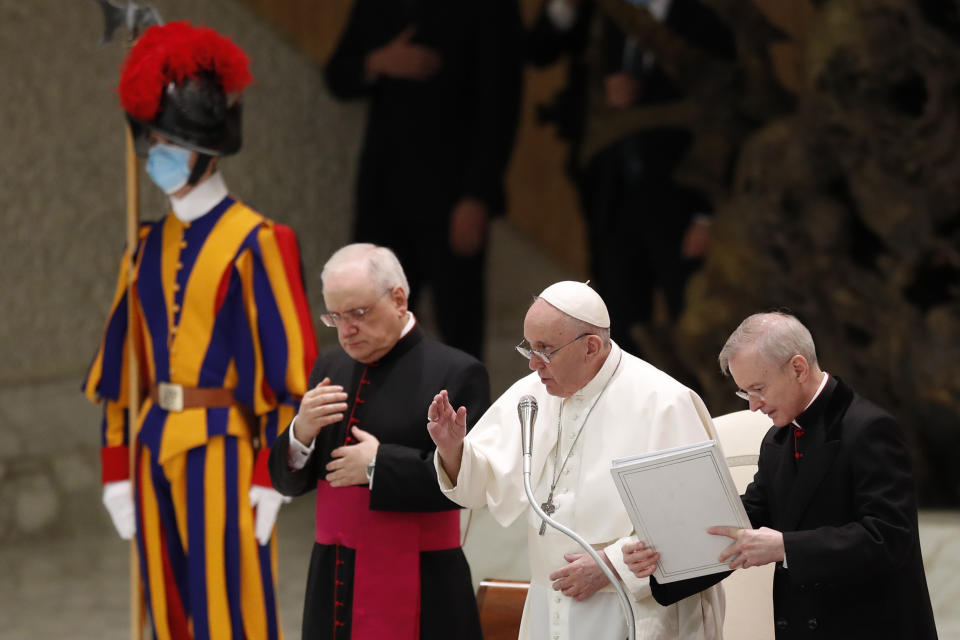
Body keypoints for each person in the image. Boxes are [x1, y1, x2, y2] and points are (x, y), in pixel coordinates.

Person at [83, 22, 318, 640]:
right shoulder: (143, 248)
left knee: (229, 615)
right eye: (153, 139)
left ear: (206, 150)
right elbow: (120, 372)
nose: (158, 151)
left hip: (224, 450)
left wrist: (277, 473)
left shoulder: (258, 241)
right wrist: (115, 469)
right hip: (148, 444)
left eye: (172, 141)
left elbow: (290, 370)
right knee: (167, 615)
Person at [428, 281, 724, 639]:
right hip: (551, 605)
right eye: (529, 348)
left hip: (633, 608)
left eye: (545, 350)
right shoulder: (531, 394)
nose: (534, 364)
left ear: (591, 347)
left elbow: (695, 525)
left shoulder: (663, 402)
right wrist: (452, 449)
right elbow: (479, 487)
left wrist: (611, 567)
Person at [623, 312, 938, 639]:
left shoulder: (870, 428)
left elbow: (889, 537)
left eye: (758, 389)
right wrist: (662, 554)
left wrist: (786, 547)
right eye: (745, 393)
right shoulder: (777, 440)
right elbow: (740, 522)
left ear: (798, 368)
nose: (753, 407)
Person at [268, 243, 490, 640]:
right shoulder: (330, 365)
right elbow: (289, 484)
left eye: (358, 313)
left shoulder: (458, 372)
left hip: (424, 577)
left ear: (399, 299)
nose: (346, 330)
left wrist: (378, 465)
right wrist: (300, 432)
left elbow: (472, 486)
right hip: (334, 572)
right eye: (334, 316)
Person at [526, 0, 734, 362]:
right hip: (615, 196)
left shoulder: (706, 18)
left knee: (691, 325)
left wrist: (707, 216)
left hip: (681, 204)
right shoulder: (611, 13)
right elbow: (540, 49)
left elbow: (724, 120)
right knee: (618, 321)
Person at [323, 0, 523, 360]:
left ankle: (465, 417)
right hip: (383, 193)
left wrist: (478, 196)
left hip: (453, 197)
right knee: (370, 324)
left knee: (458, 335)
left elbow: (501, 105)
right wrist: (378, 62)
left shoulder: (492, 8)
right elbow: (337, 75)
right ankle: (374, 416)